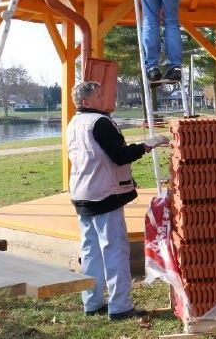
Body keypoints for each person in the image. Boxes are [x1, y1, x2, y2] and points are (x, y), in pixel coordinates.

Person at [66, 81, 166, 320]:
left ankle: (92, 302)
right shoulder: (99, 122)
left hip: (82, 193)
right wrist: (147, 144)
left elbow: (96, 157)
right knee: (115, 250)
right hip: (103, 195)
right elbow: (120, 156)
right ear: (86, 102)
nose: (106, 98)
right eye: (100, 95)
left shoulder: (75, 122)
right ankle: (120, 306)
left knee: (90, 251)